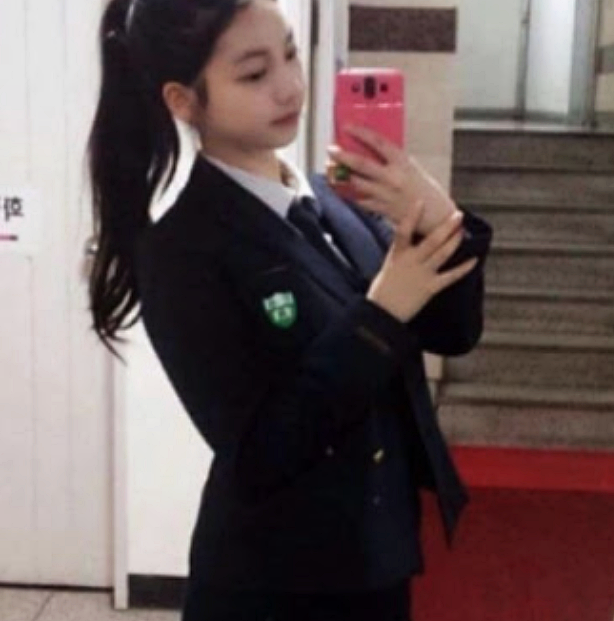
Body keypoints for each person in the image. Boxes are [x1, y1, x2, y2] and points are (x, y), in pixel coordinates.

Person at [86, 0, 493, 619]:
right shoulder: (181, 249)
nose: (289, 87)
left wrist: (439, 218)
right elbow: (260, 453)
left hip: (376, 552)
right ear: (183, 100)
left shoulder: (338, 199)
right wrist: (381, 315)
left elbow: (454, 333)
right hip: (275, 581)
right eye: (254, 74)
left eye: (290, 54)